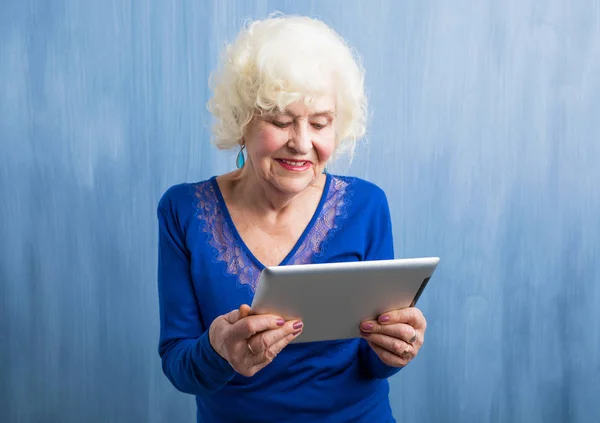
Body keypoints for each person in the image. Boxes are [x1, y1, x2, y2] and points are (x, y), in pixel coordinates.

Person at [156, 13, 427, 423]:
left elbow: (372, 364)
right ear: (242, 122)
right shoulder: (183, 210)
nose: (301, 143)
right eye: (280, 121)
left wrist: (393, 350)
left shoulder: (367, 206)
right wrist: (217, 350)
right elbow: (178, 364)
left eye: (320, 123)